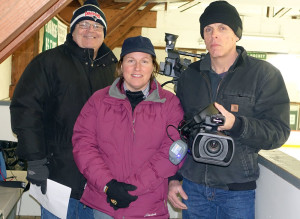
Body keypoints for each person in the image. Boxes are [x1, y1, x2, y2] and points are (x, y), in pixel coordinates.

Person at [168, 1, 291, 219]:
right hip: (193, 189)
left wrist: (237, 124)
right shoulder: (190, 77)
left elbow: (278, 132)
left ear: (236, 34)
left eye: (222, 28)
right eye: (208, 29)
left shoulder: (264, 75)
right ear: (203, 37)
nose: (214, 35)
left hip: (237, 193)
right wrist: (174, 177)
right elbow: (180, 132)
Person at [10, 0, 117, 218]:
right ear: (73, 30)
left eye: (97, 26)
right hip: (58, 177)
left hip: (98, 182)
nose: (90, 30)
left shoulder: (113, 70)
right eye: (84, 24)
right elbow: (25, 110)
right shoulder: (48, 63)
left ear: (104, 33)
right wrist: (36, 160)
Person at [72, 35, 184, 219]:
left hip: (149, 205)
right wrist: (109, 185)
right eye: (131, 60)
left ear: (154, 66)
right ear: (121, 65)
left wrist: (134, 188)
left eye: (144, 61)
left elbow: (171, 153)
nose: (137, 68)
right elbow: (83, 145)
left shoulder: (170, 104)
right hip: (105, 202)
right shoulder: (98, 101)